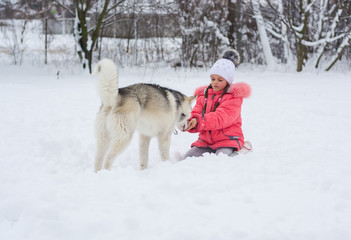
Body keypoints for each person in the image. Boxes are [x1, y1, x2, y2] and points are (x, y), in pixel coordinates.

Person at [183, 49, 251, 159]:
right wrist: (190, 120)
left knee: (222, 158)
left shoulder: (233, 97)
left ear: (228, 81)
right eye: (213, 78)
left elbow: (221, 117)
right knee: (188, 157)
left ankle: (242, 150)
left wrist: (200, 121)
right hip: (206, 141)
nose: (215, 82)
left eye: (220, 80)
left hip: (228, 140)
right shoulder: (204, 94)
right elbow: (196, 111)